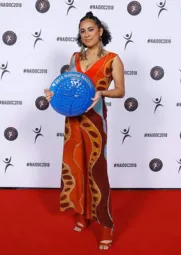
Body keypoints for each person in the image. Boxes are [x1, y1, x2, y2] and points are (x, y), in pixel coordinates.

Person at [44, 11, 125, 251]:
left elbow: (120, 90)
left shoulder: (113, 59)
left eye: (91, 29)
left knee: (96, 171)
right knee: (75, 166)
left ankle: (106, 225)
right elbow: (69, 87)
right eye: (82, 31)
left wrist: (102, 92)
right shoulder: (74, 58)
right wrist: (53, 95)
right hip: (73, 120)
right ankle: (83, 214)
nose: (86, 34)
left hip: (95, 120)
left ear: (100, 31)